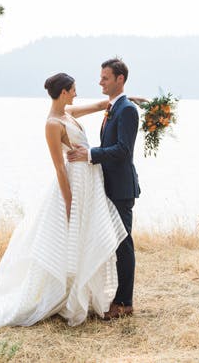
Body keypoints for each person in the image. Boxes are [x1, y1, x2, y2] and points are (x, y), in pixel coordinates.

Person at [0, 72, 136, 329]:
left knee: (90, 237)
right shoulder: (52, 124)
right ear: (63, 92)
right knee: (70, 241)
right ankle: (65, 294)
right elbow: (59, 167)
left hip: (90, 183)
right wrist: (69, 203)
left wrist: (128, 100)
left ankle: (88, 293)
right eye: (73, 90)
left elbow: (100, 105)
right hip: (75, 185)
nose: (76, 93)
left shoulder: (68, 113)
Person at [67, 58, 140, 320]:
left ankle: (124, 302)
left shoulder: (127, 110)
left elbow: (123, 150)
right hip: (107, 186)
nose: (100, 82)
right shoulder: (114, 107)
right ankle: (113, 297)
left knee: (123, 244)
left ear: (120, 79)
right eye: (101, 77)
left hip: (121, 188)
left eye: (105, 78)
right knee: (112, 243)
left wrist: (89, 155)